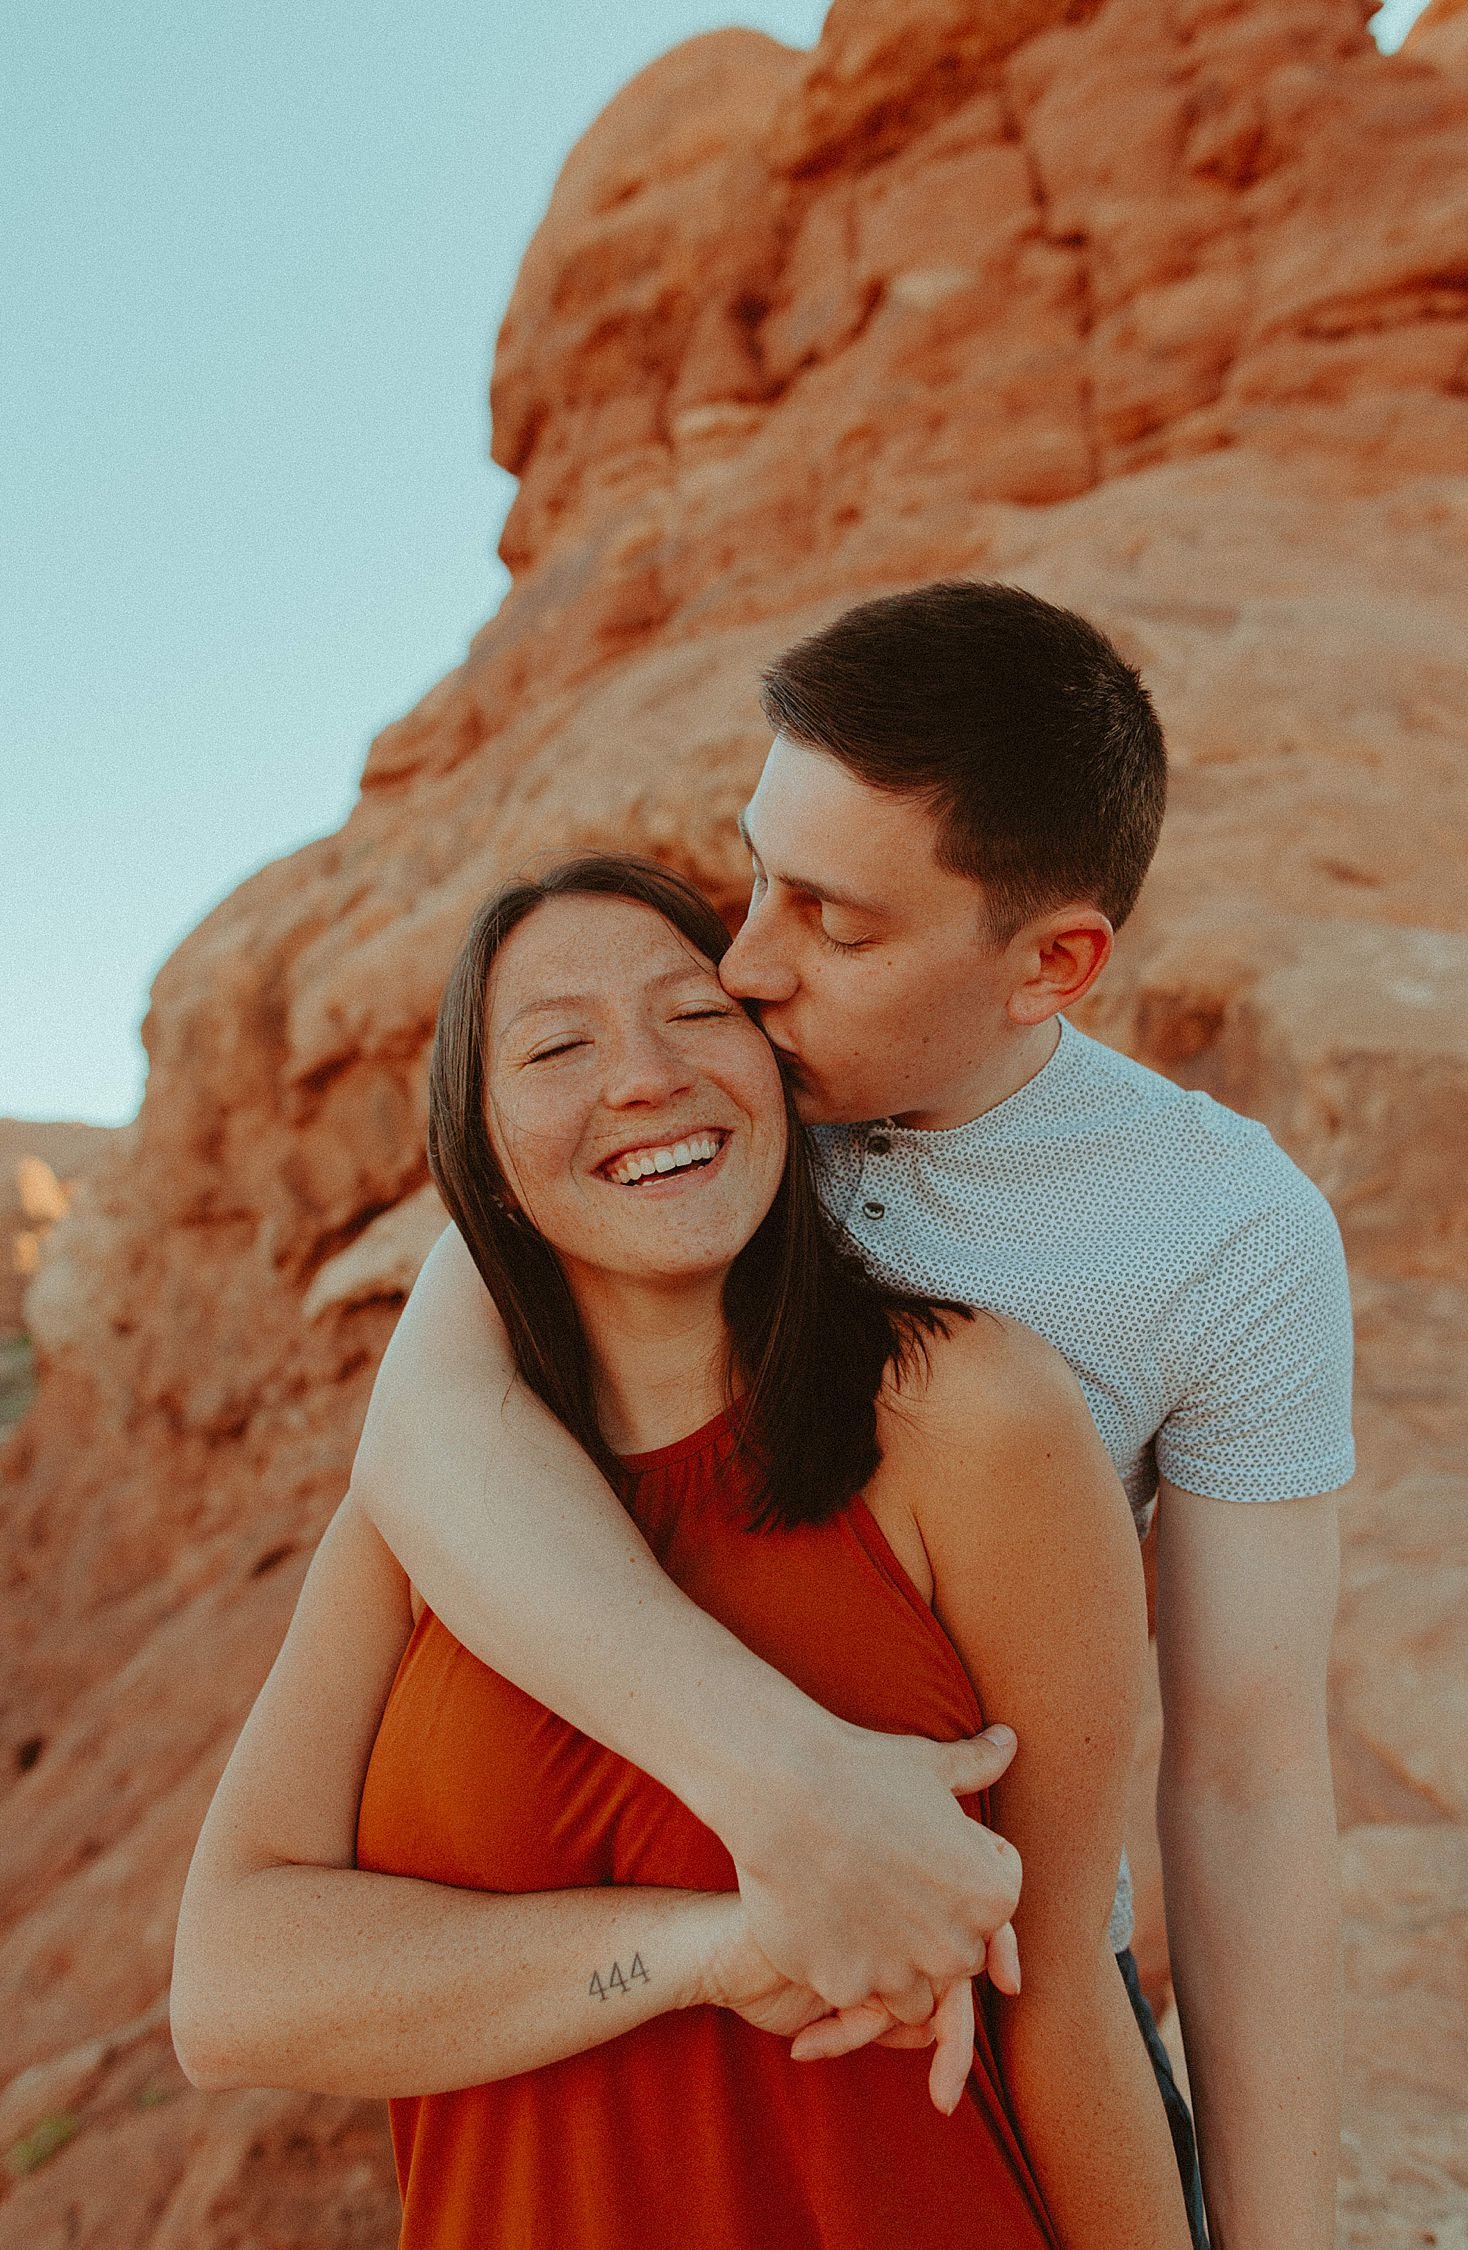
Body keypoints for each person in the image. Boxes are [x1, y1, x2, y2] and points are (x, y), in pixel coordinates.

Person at [347, 583, 1352, 2250]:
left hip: (1004, 2026)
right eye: (758, 869)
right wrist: (793, 1782)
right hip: (628, 1992)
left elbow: (1247, 1776)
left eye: (836, 919)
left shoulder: (1228, 1233)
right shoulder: (691, 1093)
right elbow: (426, 1432)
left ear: (1054, 963)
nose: (743, 960)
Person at [170, 855, 1192, 2250]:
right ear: (486, 1160)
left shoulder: (971, 1417)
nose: (644, 1076)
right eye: (556, 1045)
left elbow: (1065, 1985)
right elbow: (229, 1990)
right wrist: (710, 1949)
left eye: (697, 1015)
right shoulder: (415, 1513)